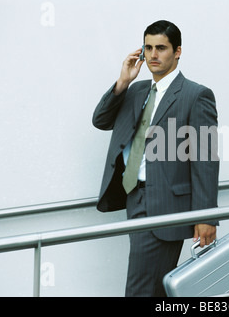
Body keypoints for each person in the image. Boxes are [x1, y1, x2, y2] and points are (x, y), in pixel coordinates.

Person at [92, 20, 219, 297]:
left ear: (177, 51)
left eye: (161, 48)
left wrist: (207, 216)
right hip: (133, 196)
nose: (153, 55)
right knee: (153, 288)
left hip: (165, 204)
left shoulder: (195, 95)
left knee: (140, 289)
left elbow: (205, 159)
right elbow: (100, 120)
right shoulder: (136, 91)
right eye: (148, 47)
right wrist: (124, 80)